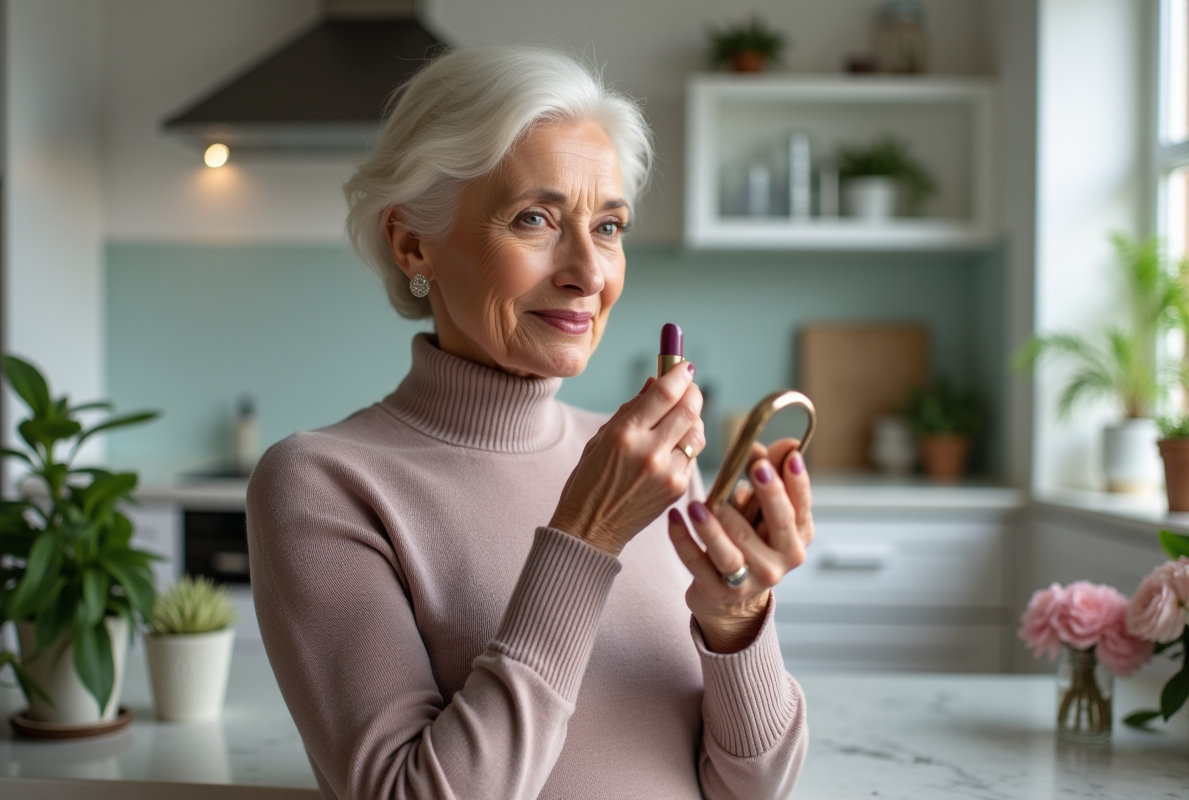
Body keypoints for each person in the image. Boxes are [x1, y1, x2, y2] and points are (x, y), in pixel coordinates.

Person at [247, 45, 811, 800]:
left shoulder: (640, 464)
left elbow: (755, 787)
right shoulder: (320, 483)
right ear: (413, 243)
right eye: (535, 219)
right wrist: (587, 535)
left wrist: (736, 621)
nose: (587, 271)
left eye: (609, 226)